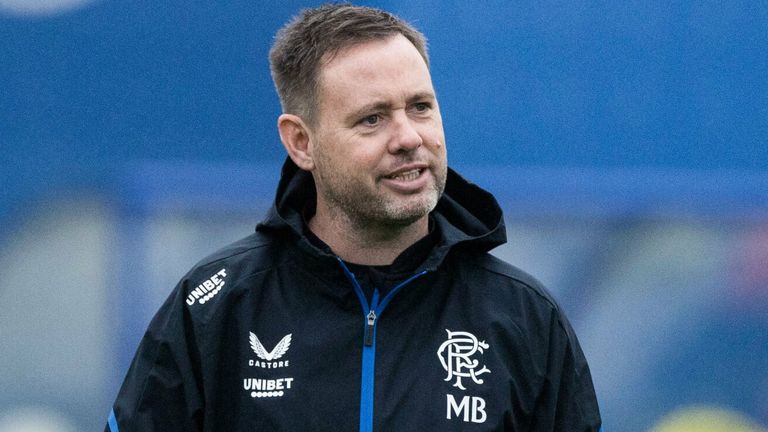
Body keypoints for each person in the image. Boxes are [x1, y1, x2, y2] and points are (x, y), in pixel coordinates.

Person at [105, 4, 602, 431]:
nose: (408, 137)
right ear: (301, 142)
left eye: (421, 107)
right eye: (373, 118)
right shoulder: (216, 308)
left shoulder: (525, 317)